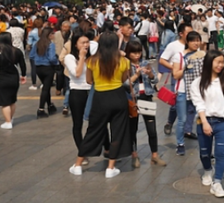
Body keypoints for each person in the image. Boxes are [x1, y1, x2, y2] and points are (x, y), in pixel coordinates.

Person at [69, 32, 132, 178]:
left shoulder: (91, 61)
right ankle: (111, 168)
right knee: (118, 131)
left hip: (100, 98)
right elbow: (123, 80)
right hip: (118, 97)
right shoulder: (123, 61)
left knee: (93, 130)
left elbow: (89, 81)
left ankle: (78, 165)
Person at [190, 50, 224, 198]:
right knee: (204, 152)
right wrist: (204, 123)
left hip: (222, 123)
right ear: (209, 62)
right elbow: (199, 105)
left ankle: (217, 183)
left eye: (222, 62)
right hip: (204, 121)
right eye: (217, 62)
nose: (220, 65)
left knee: (220, 153)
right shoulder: (197, 83)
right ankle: (207, 170)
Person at [125, 40, 166, 167]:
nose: (137, 55)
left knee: (152, 129)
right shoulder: (125, 65)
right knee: (133, 129)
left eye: (138, 52)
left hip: (146, 97)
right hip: (133, 99)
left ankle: (154, 155)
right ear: (128, 53)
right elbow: (125, 84)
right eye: (133, 53)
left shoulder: (145, 63)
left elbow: (154, 82)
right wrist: (136, 75)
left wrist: (150, 75)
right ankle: (134, 155)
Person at [159, 22, 193, 153]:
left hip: (192, 83)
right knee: (175, 104)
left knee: (190, 109)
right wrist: (174, 68)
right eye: (188, 33)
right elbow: (162, 60)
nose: (191, 36)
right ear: (181, 34)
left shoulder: (195, 48)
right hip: (178, 79)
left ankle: (188, 131)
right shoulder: (173, 46)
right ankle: (169, 122)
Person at [65, 31, 92, 163]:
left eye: (87, 42)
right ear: (76, 45)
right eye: (83, 43)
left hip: (91, 91)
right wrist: (81, 57)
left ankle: (107, 149)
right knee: (78, 124)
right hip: (77, 92)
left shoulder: (92, 57)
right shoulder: (70, 58)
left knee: (97, 121)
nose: (86, 45)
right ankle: (82, 152)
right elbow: (77, 73)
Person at [29, 28, 59, 118]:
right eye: (53, 33)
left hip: (39, 68)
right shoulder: (51, 44)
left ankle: (50, 105)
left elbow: (31, 55)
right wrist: (56, 62)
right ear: (49, 35)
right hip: (48, 68)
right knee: (45, 88)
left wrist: (38, 60)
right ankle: (41, 109)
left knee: (46, 87)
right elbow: (52, 58)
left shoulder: (37, 43)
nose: (54, 35)